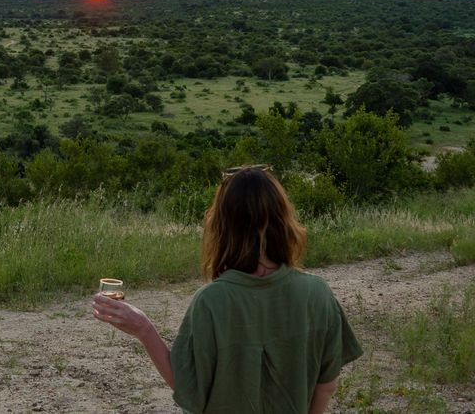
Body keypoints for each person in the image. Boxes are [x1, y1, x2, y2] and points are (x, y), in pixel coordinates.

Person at [93, 165, 362, 414]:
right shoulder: (318, 293)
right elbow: (326, 385)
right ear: (283, 219)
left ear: (222, 225)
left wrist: (143, 328)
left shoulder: (211, 302)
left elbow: (189, 390)